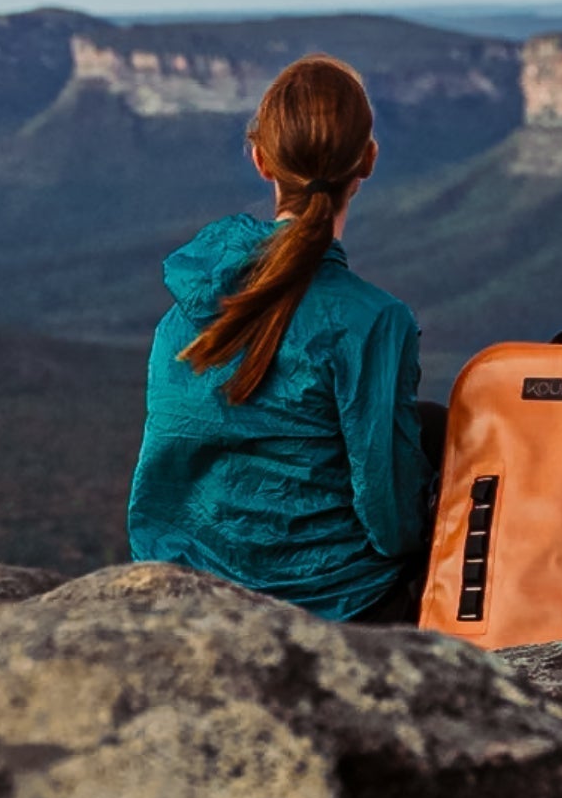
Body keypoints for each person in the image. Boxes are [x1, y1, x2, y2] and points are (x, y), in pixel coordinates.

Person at [126, 53, 444, 624]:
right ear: (368, 160)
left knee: (426, 418)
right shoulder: (373, 320)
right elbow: (390, 522)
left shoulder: (188, 305)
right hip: (334, 601)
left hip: (191, 585)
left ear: (260, 160)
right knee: (444, 430)